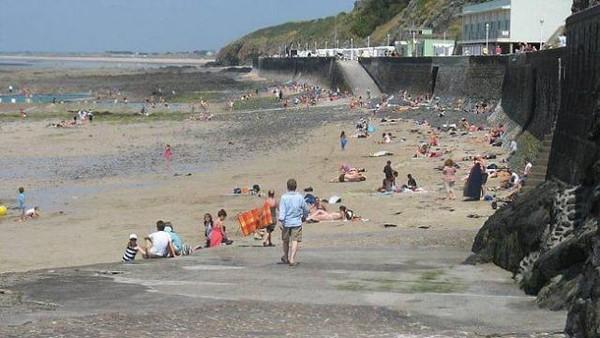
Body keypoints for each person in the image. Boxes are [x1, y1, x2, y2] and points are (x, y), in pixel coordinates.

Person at [279, 178, 309, 266]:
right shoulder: (299, 197)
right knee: (295, 240)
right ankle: (292, 258)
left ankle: (285, 256)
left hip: (287, 221)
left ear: (287, 187)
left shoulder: (284, 197)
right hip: (296, 221)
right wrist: (305, 216)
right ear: (295, 187)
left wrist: (281, 220)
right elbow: (305, 208)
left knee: (285, 240)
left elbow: (282, 210)